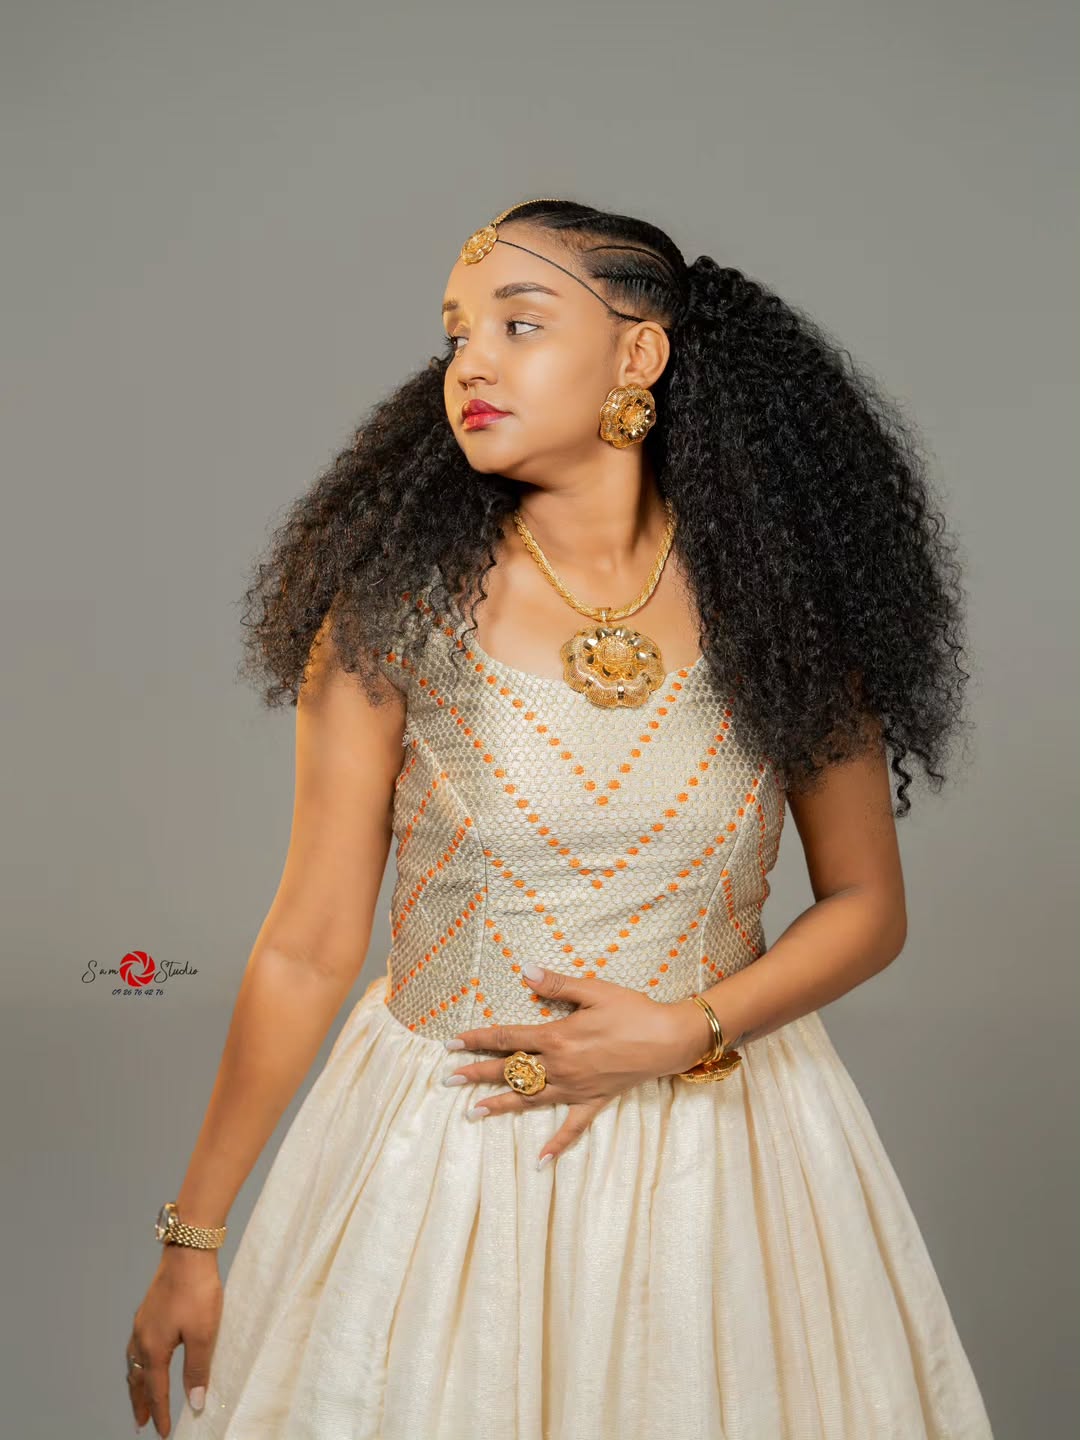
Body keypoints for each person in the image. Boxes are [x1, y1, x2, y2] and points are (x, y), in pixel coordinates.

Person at [126, 197, 994, 1438]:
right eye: (455, 334)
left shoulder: (783, 616)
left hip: (729, 1157)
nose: (469, 361)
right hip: (449, 1161)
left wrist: (686, 1031)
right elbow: (311, 945)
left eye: (519, 322)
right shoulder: (388, 622)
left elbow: (868, 907)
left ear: (639, 356)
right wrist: (193, 1238)